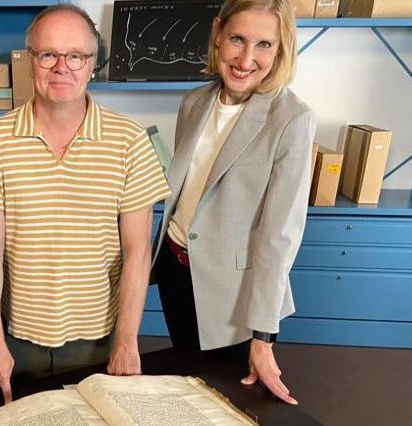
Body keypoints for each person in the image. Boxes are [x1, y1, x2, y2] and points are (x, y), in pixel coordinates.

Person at [0, 4, 171, 412]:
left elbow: (137, 252)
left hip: (98, 338)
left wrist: (126, 342)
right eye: (48, 54)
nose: (63, 66)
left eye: (76, 56)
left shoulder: (129, 142)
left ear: (92, 64)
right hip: (19, 339)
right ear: (30, 61)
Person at [152, 0, 315, 406]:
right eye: (238, 40)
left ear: (280, 51)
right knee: (186, 382)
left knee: (227, 402)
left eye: (264, 45)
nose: (246, 58)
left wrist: (263, 335)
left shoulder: (292, 119)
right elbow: (191, 191)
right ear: (218, 34)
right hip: (176, 269)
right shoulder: (194, 102)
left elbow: (279, 236)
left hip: (233, 294)